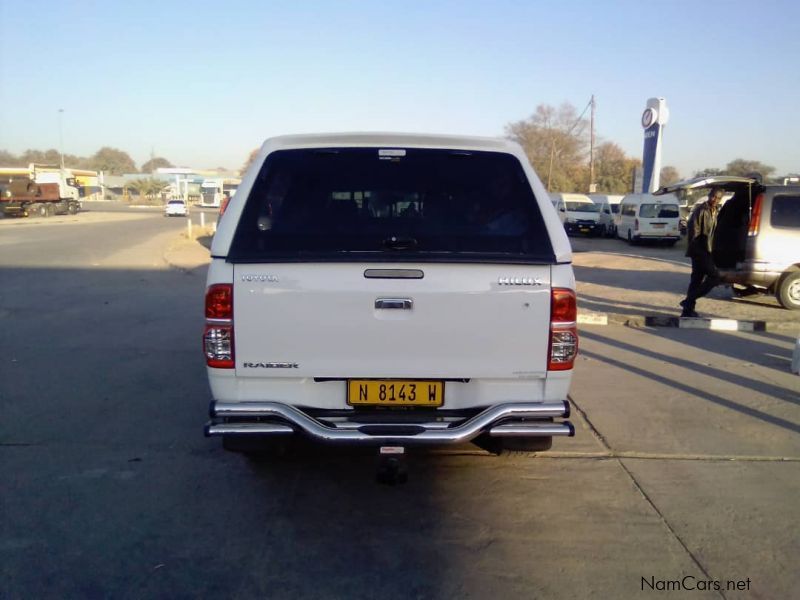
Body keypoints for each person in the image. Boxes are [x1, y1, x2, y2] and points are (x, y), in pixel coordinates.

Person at [680, 188, 724, 317]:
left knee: (696, 280)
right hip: (699, 250)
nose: (715, 199)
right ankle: (688, 301)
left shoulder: (714, 211)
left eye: (718, 198)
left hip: (706, 250)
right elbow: (694, 232)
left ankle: (687, 310)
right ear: (709, 196)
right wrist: (699, 251)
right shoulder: (701, 210)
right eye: (713, 196)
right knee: (715, 277)